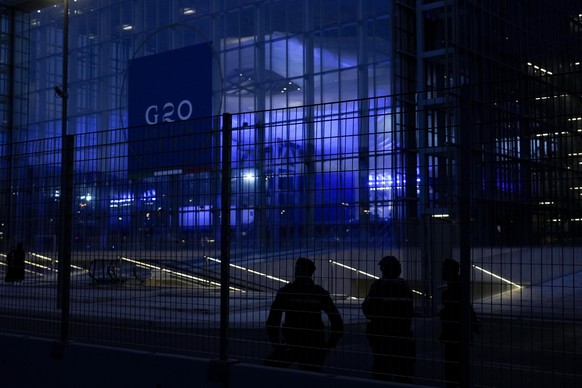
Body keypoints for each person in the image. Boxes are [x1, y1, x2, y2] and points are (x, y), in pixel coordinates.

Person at [265, 257, 344, 372]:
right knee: (311, 375)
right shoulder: (319, 293)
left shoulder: (286, 292)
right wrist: (328, 345)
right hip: (314, 343)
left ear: (297, 272)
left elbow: (273, 321)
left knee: (271, 368)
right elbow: (337, 322)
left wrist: (276, 343)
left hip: (291, 341)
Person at [362, 255, 415, 382]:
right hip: (402, 335)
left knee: (381, 372)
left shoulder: (378, 286)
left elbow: (367, 308)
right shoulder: (405, 287)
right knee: (403, 373)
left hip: (382, 335)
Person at [439, 258, 480, 388]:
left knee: (452, 368)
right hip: (457, 333)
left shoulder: (451, 291)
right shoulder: (458, 287)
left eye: (444, 269)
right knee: (458, 366)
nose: (441, 271)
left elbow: (456, 312)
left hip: (455, 334)